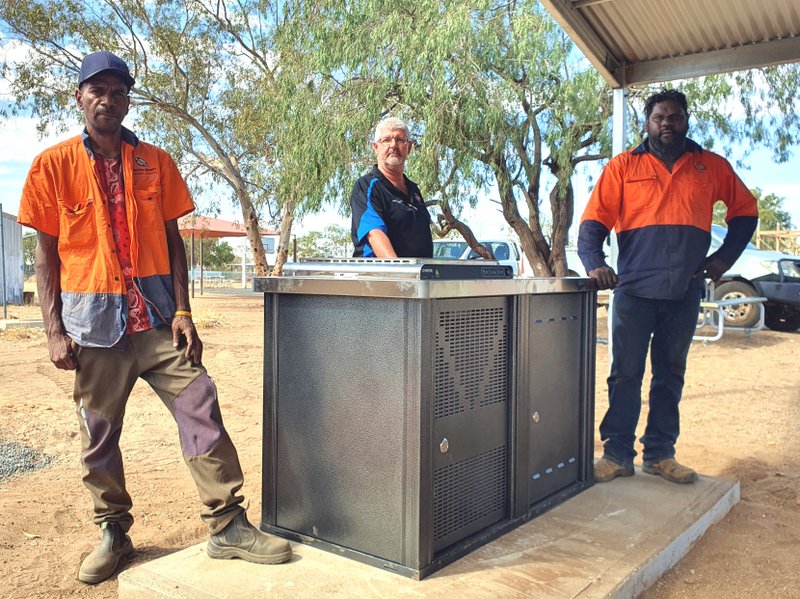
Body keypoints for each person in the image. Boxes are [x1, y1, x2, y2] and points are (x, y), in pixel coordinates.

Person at [17, 51, 291, 584]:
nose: (108, 99)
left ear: (128, 100)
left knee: (201, 407)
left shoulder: (156, 163)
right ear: (79, 97)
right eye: (97, 90)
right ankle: (114, 532)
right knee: (98, 435)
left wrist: (185, 310)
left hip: (159, 321)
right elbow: (45, 256)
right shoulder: (52, 166)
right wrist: (53, 330)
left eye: (118, 91)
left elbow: (173, 244)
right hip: (93, 329)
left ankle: (227, 523)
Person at [578, 89, 758, 485]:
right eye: (659, 117)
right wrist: (595, 264)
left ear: (686, 120)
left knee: (670, 374)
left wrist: (722, 261)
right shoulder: (623, 166)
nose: (666, 124)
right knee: (625, 374)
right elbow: (592, 224)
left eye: (674, 117)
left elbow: (745, 212)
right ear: (647, 121)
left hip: (684, 293)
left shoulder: (711, 167)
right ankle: (616, 454)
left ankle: (660, 454)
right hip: (634, 293)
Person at [350, 117, 433, 257]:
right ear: (376, 147)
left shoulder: (414, 190)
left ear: (409, 148)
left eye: (400, 140)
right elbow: (375, 234)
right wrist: (401, 275)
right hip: (381, 276)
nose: (393, 145)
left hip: (417, 276)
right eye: (386, 140)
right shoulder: (366, 187)